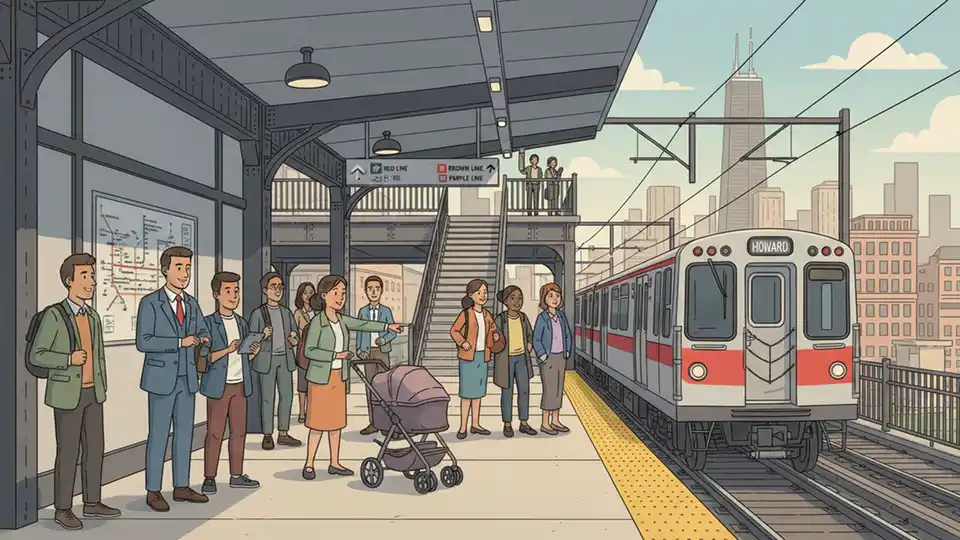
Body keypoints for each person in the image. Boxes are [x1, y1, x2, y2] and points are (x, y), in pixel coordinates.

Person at [29, 254, 121, 530]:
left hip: (93, 393)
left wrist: (102, 385)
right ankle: (63, 508)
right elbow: (38, 355)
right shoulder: (54, 315)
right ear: (69, 281)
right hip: (68, 394)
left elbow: (99, 357)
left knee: (95, 449)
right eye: (85, 276)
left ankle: (92, 502)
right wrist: (69, 359)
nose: (92, 282)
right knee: (68, 453)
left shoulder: (92, 316)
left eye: (92, 276)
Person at [301, 275, 403, 479]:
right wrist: (335, 355)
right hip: (321, 377)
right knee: (317, 424)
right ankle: (309, 464)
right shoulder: (317, 322)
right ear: (324, 295)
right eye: (336, 292)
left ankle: (334, 462)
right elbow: (309, 351)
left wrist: (386, 327)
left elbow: (363, 324)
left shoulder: (341, 319)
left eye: (343, 293)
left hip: (339, 376)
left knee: (336, 423)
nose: (340, 297)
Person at [135, 246, 211, 511]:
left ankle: (181, 486)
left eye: (188, 268)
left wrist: (203, 338)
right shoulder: (150, 302)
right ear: (165, 269)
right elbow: (143, 342)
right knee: (158, 435)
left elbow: (202, 330)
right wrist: (179, 342)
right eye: (179, 267)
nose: (184, 273)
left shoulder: (191, 303)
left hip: (187, 379)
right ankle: (153, 490)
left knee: (184, 435)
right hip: (161, 379)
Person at [200, 272, 261, 495]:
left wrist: (251, 352)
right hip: (218, 386)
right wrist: (227, 349)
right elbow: (204, 358)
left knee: (239, 433)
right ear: (216, 295)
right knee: (215, 433)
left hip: (240, 385)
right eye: (228, 291)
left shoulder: (242, 323)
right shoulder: (207, 324)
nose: (234, 295)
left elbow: (243, 357)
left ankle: (236, 474)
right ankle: (209, 477)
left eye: (236, 290)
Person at [248, 272, 302, 450]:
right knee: (267, 399)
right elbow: (251, 340)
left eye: (280, 287)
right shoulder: (258, 313)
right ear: (265, 290)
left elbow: (296, 337)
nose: (277, 290)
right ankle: (267, 434)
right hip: (266, 360)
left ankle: (284, 433)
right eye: (273, 287)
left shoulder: (286, 313)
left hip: (285, 359)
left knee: (287, 397)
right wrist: (263, 335)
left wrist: (294, 337)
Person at [449, 279, 501, 439]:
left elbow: (493, 329)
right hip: (468, 358)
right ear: (470, 295)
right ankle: (463, 426)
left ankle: (476, 424)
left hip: (482, 357)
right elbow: (454, 331)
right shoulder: (466, 313)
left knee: (478, 394)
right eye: (479, 292)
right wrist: (462, 342)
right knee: (466, 394)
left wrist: (495, 335)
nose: (483, 295)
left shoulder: (487, 314)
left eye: (485, 292)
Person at [356, 275, 398, 436]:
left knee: (384, 388)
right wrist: (360, 350)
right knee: (370, 387)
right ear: (366, 291)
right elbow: (360, 331)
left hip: (382, 352)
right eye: (370, 288)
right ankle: (373, 422)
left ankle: (387, 423)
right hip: (368, 353)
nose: (373, 292)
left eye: (377, 288)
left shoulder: (386, 311)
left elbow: (393, 332)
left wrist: (384, 339)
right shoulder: (362, 311)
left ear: (381, 291)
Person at [493, 286, 537, 437]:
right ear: (505, 301)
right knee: (507, 391)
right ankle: (507, 424)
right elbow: (492, 338)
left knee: (524, 390)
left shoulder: (523, 318)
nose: (517, 301)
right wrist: (495, 339)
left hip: (522, 359)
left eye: (519, 297)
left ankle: (523, 422)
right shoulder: (500, 318)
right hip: (506, 360)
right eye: (512, 298)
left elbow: (530, 335)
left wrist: (530, 343)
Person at [532, 282, 574, 436]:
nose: (555, 299)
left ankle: (555, 420)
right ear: (544, 299)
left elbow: (567, 335)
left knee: (558, 389)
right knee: (549, 390)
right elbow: (536, 339)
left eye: (557, 295)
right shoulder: (542, 318)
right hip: (548, 358)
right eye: (551, 296)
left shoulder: (561, 316)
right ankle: (545, 422)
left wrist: (567, 351)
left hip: (560, 357)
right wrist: (543, 356)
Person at [293, 281, 316, 424]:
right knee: (302, 385)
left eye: (311, 292)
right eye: (305, 292)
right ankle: (302, 411)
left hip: (316, 353)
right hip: (303, 352)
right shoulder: (298, 313)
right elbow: (295, 333)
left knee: (314, 384)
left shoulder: (318, 312)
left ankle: (313, 411)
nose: (308, 295)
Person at [518, 150, 543, 216]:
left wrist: (539, 181)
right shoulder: (528, 168)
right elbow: (522, 171)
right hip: (529, 184)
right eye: (533, 159)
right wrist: (521, 158)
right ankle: (529, 213)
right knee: (529, 199)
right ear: (531, 161)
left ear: (537, 161)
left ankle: (536, 213)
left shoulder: (539, 169)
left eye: (536, 159)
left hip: (536, 185)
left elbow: (541, 176)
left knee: (536, 199)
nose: (534, 161)